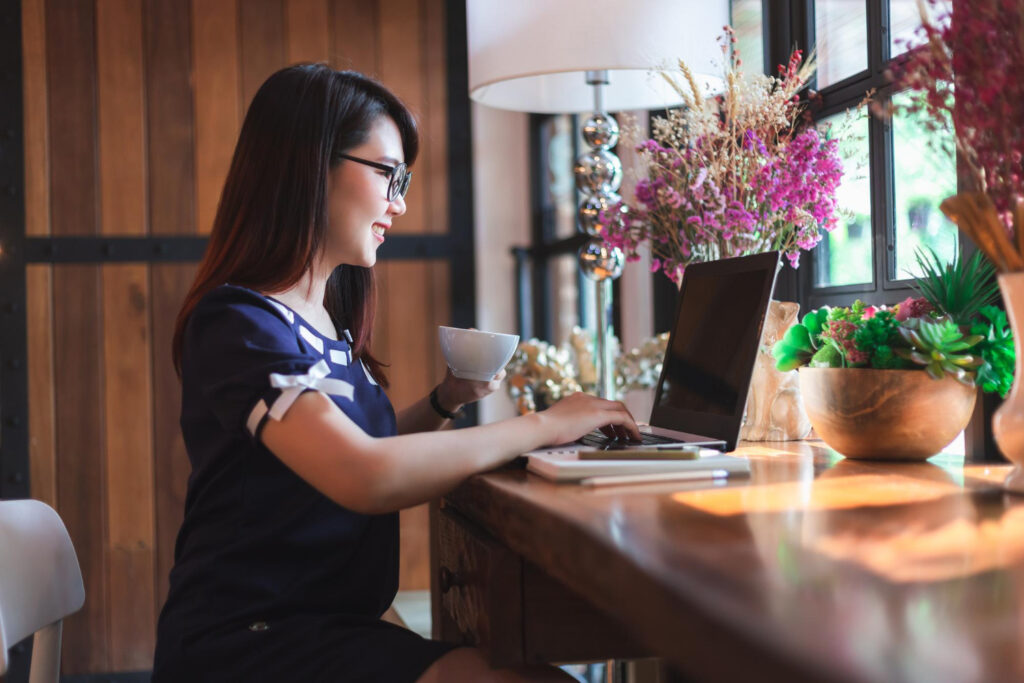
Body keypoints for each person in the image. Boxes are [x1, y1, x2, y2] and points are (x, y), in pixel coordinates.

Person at [152, 64, 641, 683]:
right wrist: (544, 425)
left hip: (325, 626)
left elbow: (364, 449)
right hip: (251, 642)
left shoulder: (327, 324)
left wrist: (443, 402)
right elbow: (363, 475)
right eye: (387, 173)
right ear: (309, 165)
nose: (400, 202)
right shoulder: (240, 324)